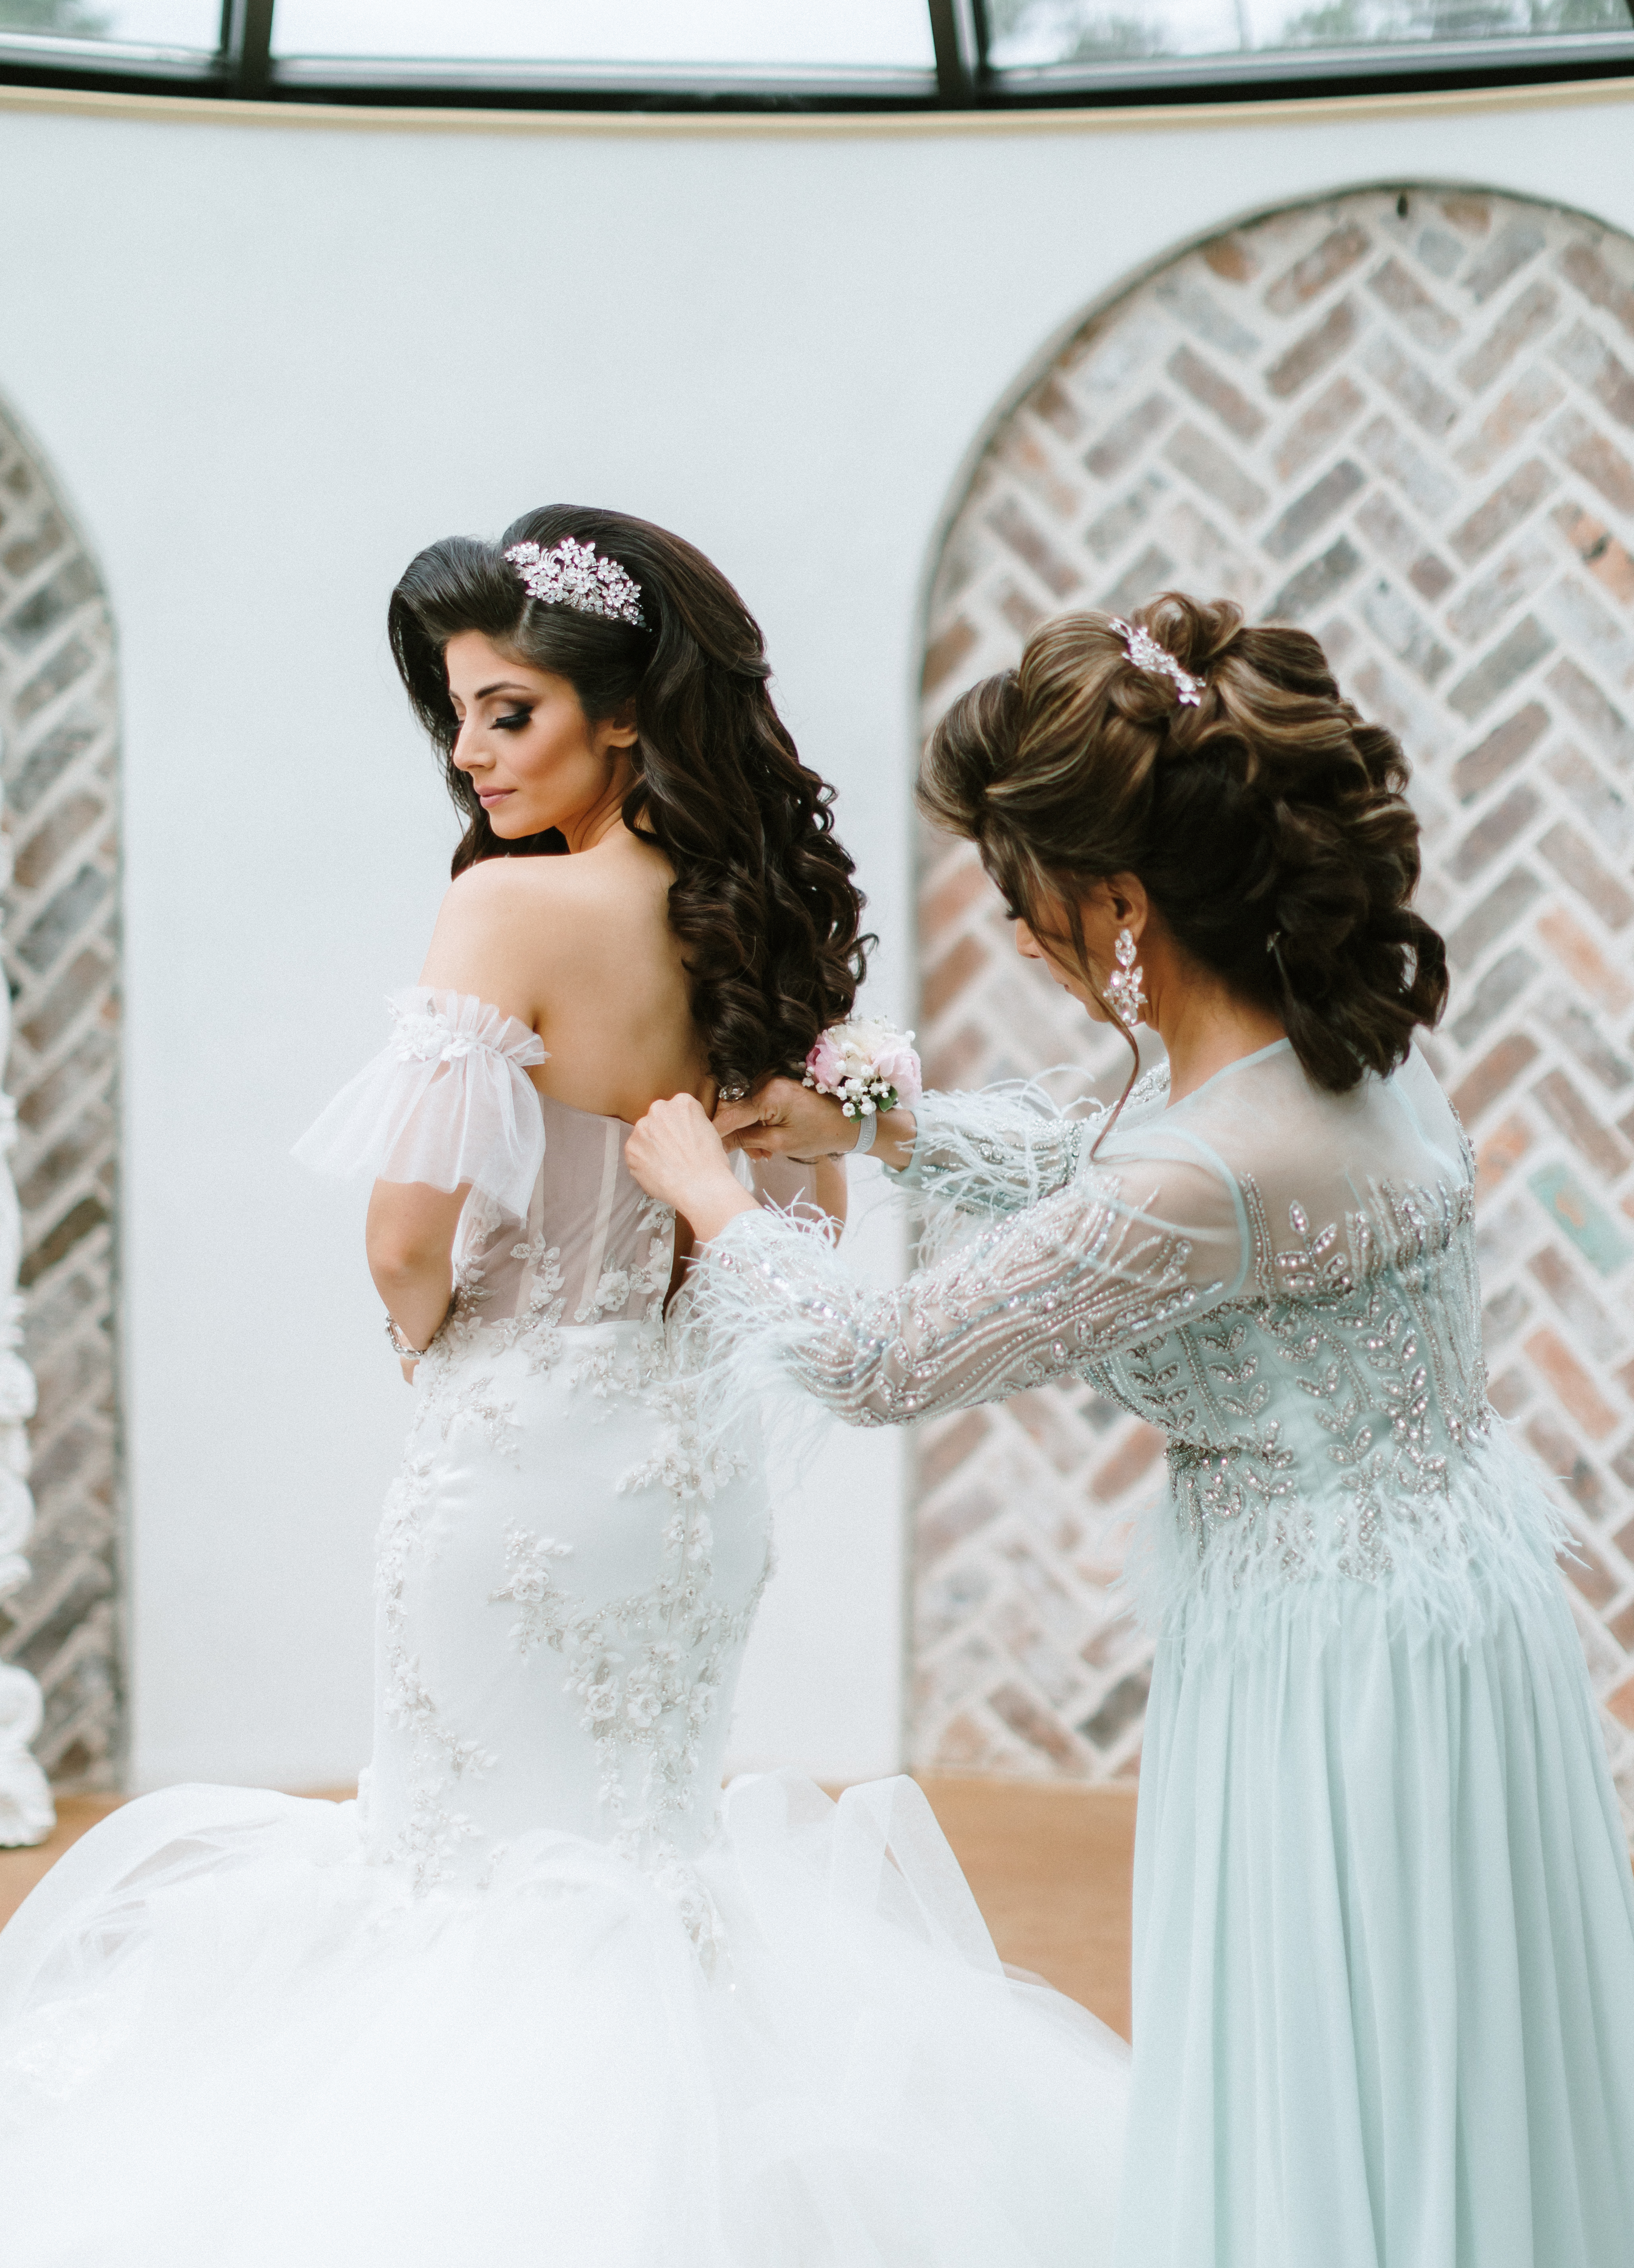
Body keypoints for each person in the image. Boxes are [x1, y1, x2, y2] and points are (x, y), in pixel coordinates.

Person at [0, 508, 1127, 2267]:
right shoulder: (756, 918)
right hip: (691, 1479)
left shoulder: (506, 905)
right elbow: (805, 1208)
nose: (470, 755)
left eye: (506, 711)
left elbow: (401, 1230)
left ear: (618, 710)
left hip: (518, 1457)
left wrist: (429, 1331)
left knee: (464, 1877)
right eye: (453, 717)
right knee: (640, 1855)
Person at [628, 594, 1634, 2268]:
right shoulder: (1339, 1040)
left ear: (1117, 903)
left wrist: (716, 1201)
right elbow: (1118, 1188)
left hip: (1335, 1667)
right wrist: (881, 1125)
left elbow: (887, 1356)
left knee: (1340, 2034)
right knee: (1429, 2037)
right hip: (1431, 1607)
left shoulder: (1209, 1160)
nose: (1013, 937)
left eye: (1019, 901)